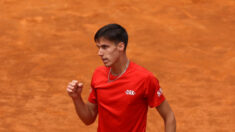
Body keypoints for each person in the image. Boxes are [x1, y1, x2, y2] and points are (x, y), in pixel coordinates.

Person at [67, 24, 176, 132]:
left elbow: (169, 116)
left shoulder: (145, 79)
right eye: (99, 47)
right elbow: (88, 118)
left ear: (120, 46)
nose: (99, 53)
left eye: (105, 47)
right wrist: (76, 98)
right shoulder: (98, 74)